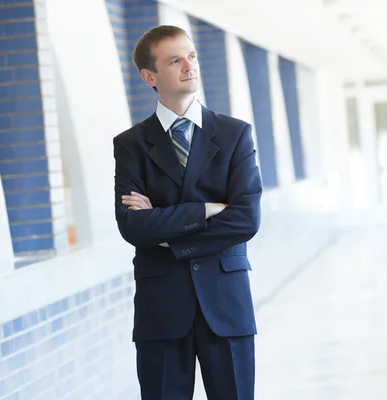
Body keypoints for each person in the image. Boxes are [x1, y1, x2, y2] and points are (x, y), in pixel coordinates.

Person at [113, 25, 263, 400]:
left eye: (191, 56)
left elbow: (246, 219)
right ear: (150, 76)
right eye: (174, 60)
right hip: (161, 309)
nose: (188, 65)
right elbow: (133, 224)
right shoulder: (131, 145)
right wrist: (207, 209)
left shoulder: (234, 135)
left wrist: (169, 233)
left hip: (225, 304)